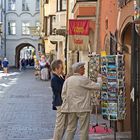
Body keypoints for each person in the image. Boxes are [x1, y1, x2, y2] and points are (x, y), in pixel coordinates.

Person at [61, 62, 102, 140]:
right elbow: (98, 86)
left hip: (71, 108)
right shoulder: (83, 79)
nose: (84, 69)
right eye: (83, 68)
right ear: (79, 69)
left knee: (70, 129)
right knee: (84, 130)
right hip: (83, 108)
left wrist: (69, 102)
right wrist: (99, 78)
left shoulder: (68, 80)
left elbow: (63, 94)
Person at [50, 59, 67, 140]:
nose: (62, 69)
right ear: (56, 68)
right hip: (60, 103)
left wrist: (63, 77)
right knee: (60, 124)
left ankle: (59, 138)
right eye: (61, 68)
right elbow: (61, 90)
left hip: (62, 102)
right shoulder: (54, 78)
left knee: (64, 124)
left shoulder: (58, 77)